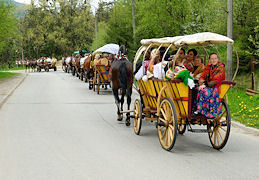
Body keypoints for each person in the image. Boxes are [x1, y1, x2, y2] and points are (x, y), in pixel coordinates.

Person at [194, 53, 225, 118]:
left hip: (215, 87)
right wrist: (201, 81)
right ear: (209, 60)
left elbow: (216, 81)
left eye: (215, 58)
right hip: (207, 85)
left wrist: (205, 85)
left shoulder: (220, 68)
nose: (214, 60)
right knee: (196, 89)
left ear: (218, 59)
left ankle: (204, 111)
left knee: (203, 91)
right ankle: (197, 109)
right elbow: (203, 75)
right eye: (212, 58)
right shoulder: (208, 67)